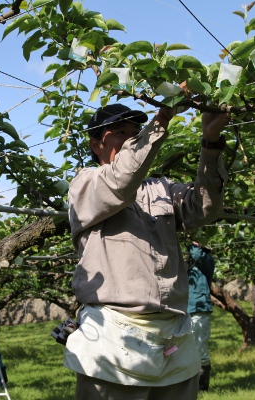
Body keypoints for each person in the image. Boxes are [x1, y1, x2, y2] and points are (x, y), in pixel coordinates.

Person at [63, 103, 230, 399]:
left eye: (134, 132)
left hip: (174, 337)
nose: (130, 139)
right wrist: (162, 119)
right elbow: (121, 181)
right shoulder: (86, 184)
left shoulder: (160, 188)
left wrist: (211, 143)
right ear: (95, 143)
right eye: (119, 133)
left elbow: (204, 209)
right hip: (113, 336)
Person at [187, 241, 216, 391]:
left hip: (199, 312)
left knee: (200, 349)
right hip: (186, 312)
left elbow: (197, 254)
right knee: (184, 349)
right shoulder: (189, 266)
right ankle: (187, 385)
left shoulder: (207, 261)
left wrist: (191, 243)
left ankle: (202, 387)